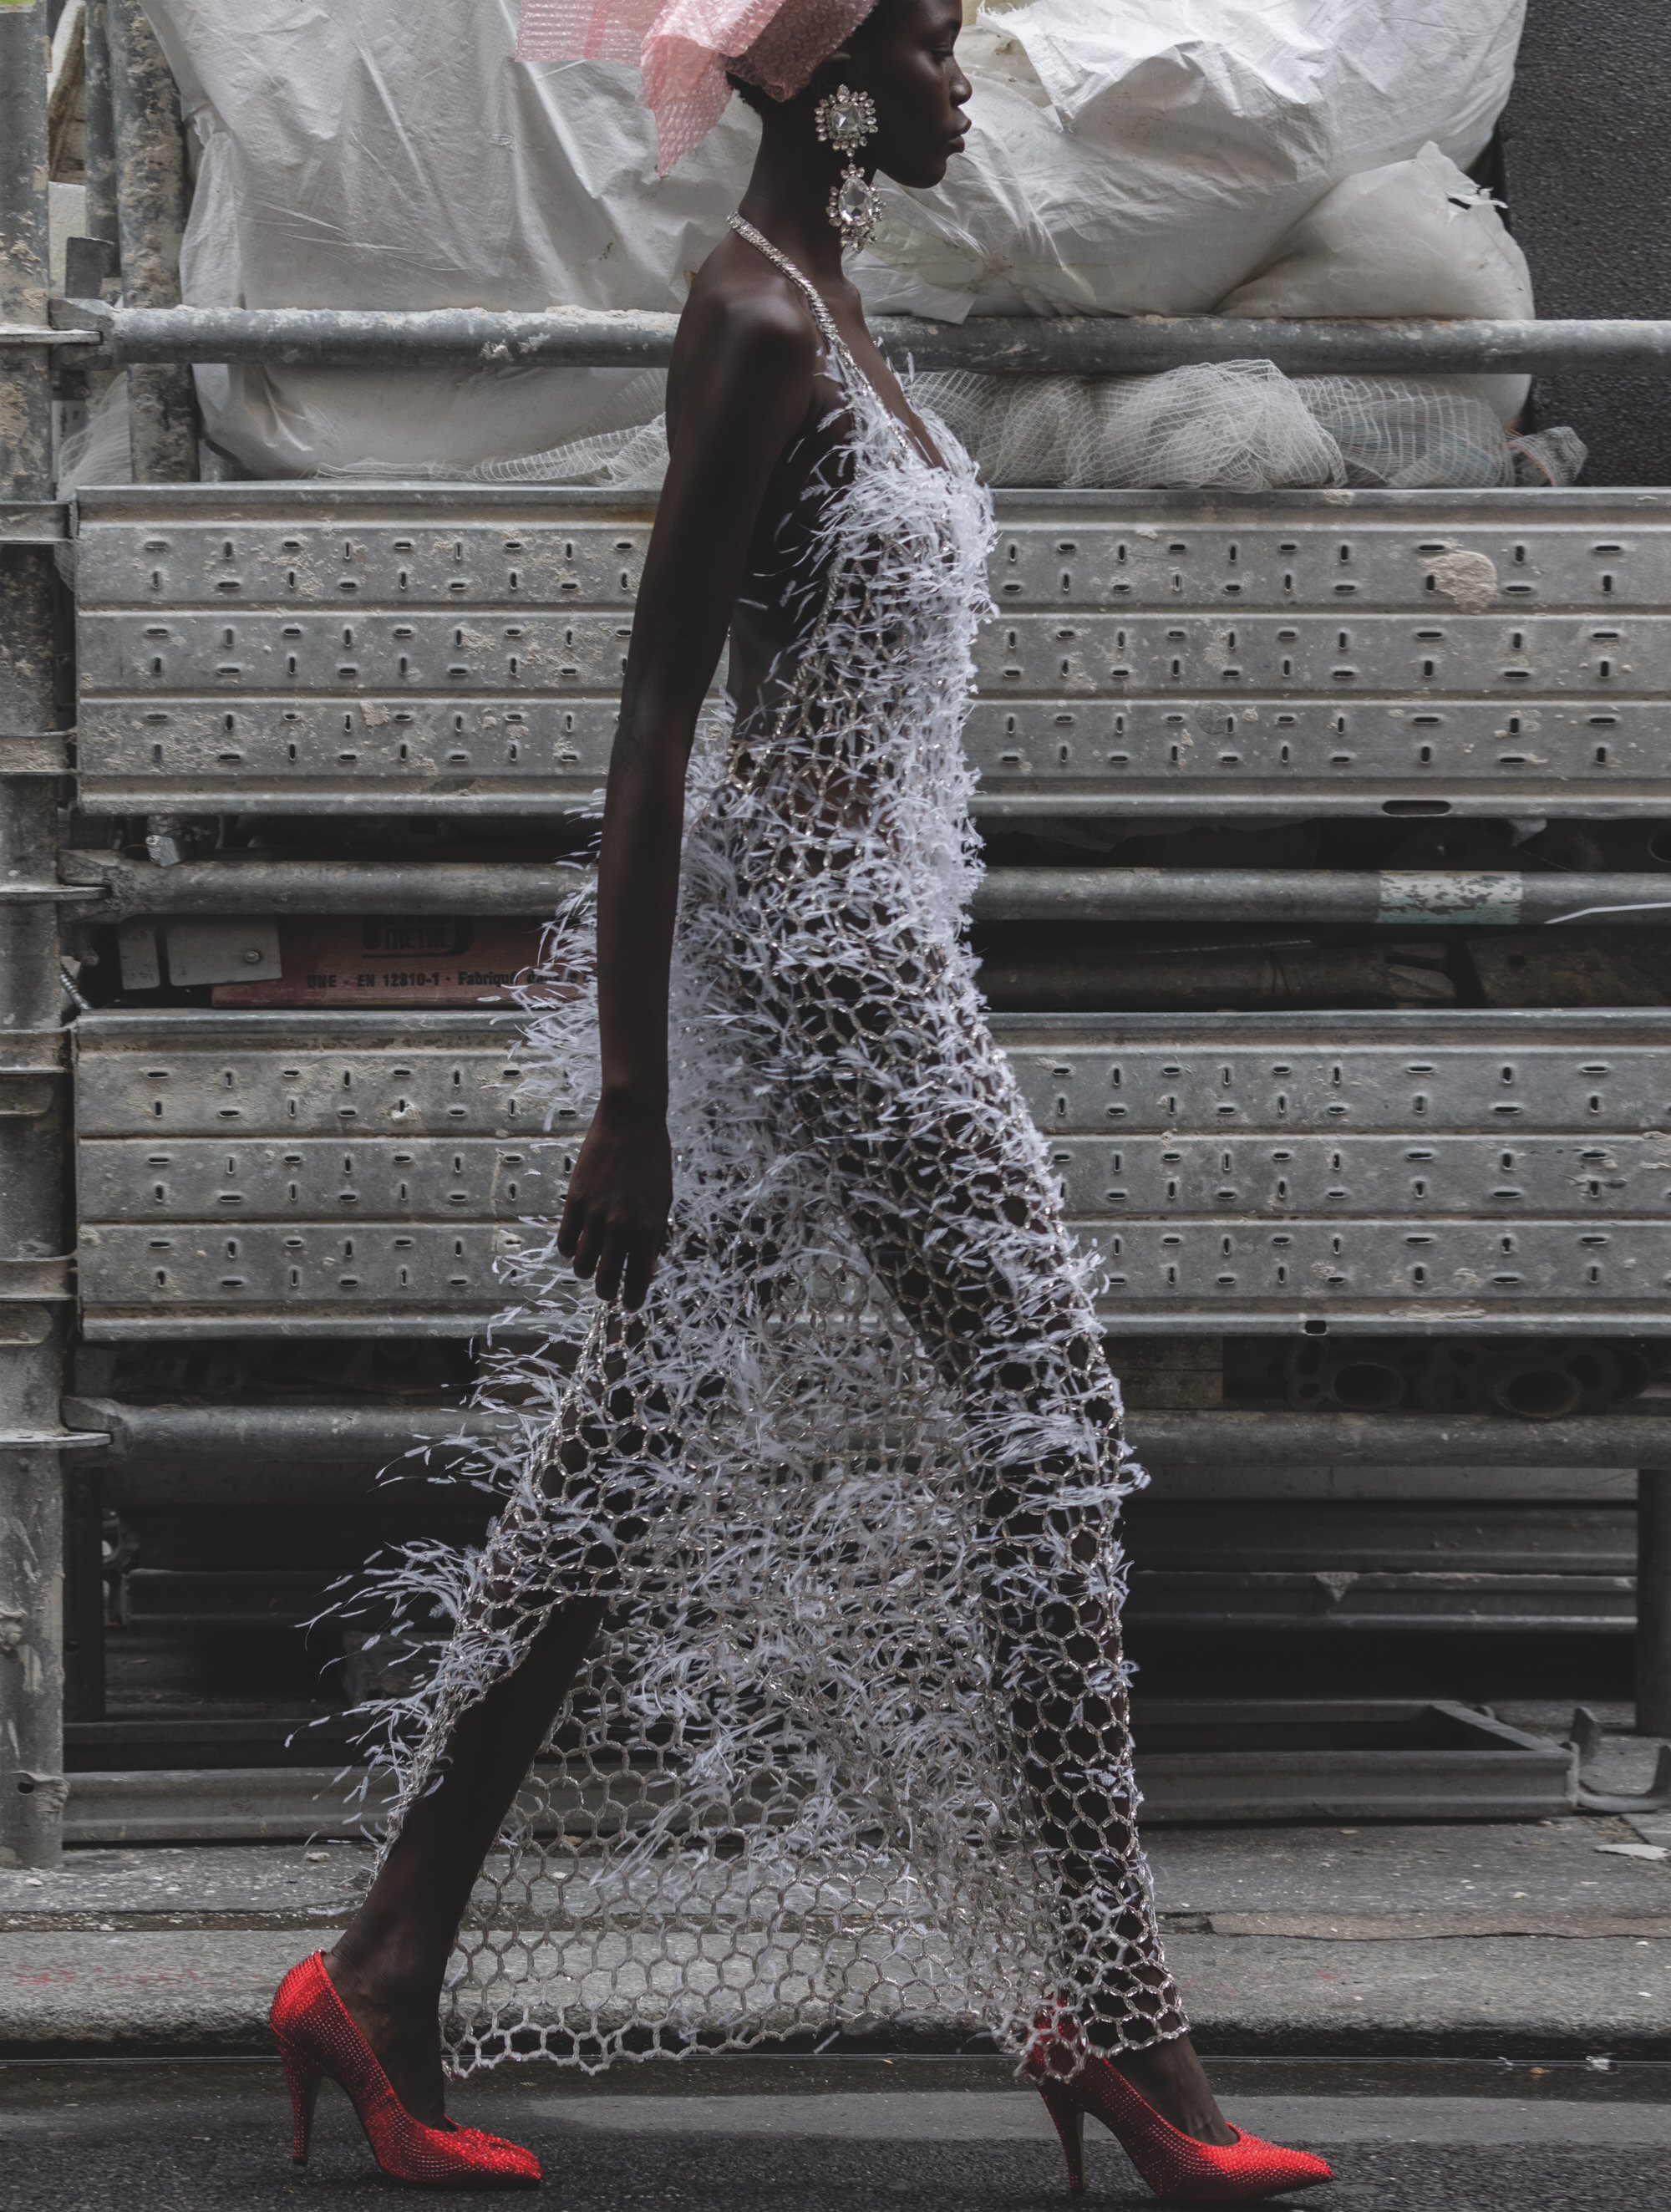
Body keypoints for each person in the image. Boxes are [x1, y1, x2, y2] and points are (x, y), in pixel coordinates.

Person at [270, 0, 1333, 2196]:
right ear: (838, 78)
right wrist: (631, 1101)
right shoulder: (754, 320)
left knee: (625, 1451)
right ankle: (1123, 2024)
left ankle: (378, 1969)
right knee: (1051, 1419)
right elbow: (656, 722)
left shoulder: (842, 309)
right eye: (935, 48)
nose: (966, 84)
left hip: (862, 941)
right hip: (833, 967)